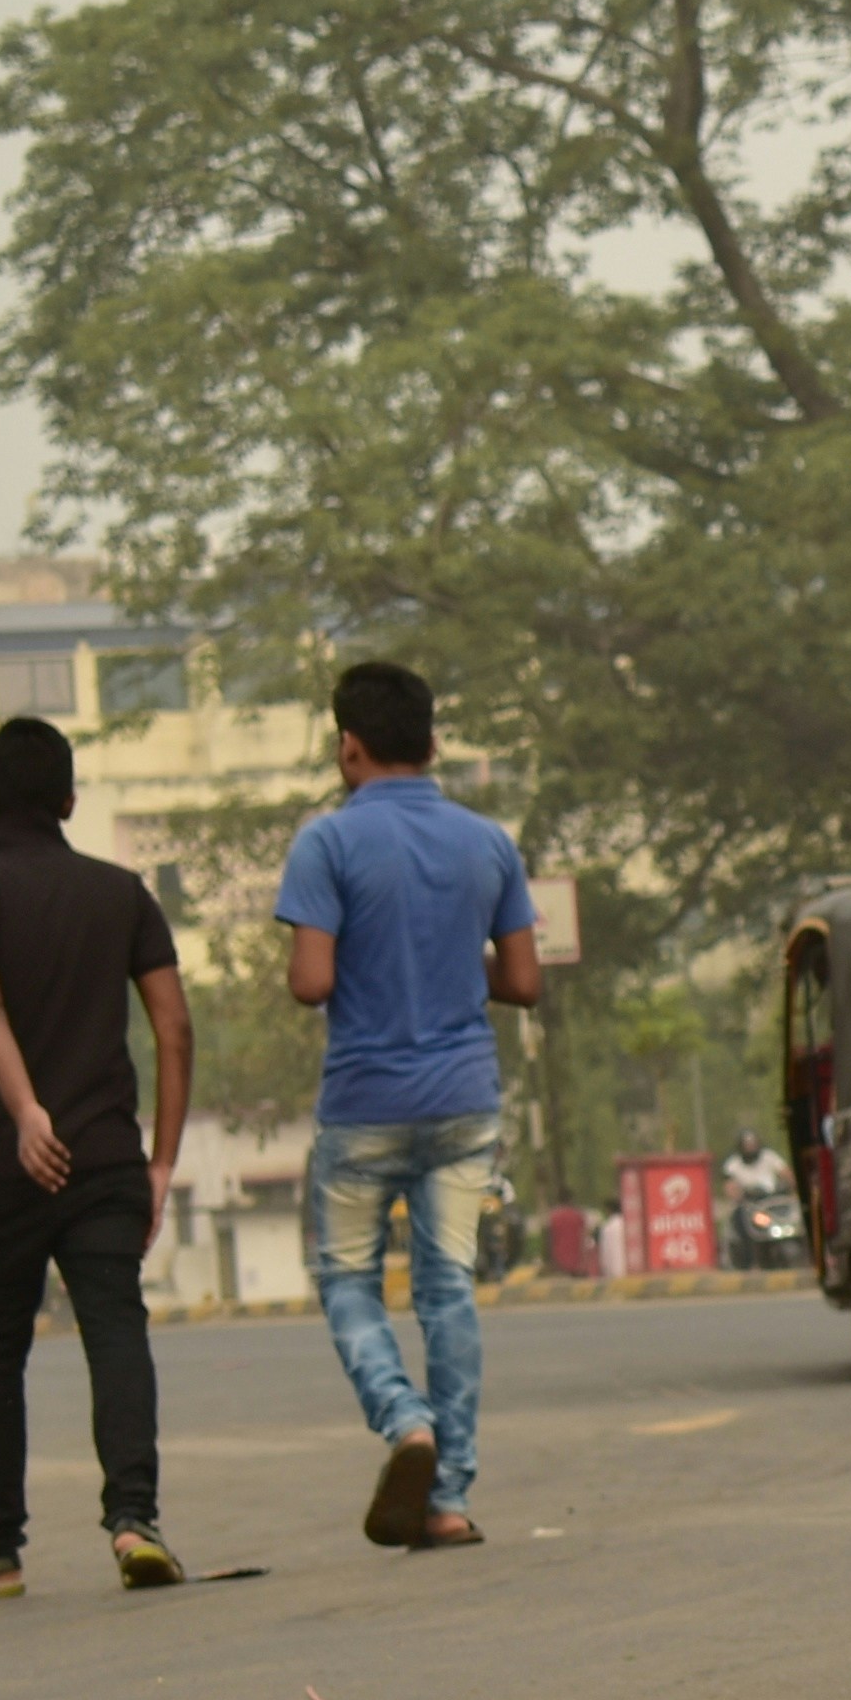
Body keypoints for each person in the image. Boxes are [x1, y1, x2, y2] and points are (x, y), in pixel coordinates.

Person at [0, 717, 193, 1596]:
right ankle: (134, 1522)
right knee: (115, 1327)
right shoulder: (121, 893)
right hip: (109, 1161)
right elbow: (174, 1028)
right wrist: (159, 1162)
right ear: (71, 800)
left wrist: (27, 1113)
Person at [278, 660, 541, 1552]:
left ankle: (405, 1423)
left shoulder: (327, 844)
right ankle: (450, 1497)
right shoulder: (487, 842)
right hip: (465, 1100)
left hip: (363, 1105)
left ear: (348, 747)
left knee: (348, 1279)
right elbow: (526, 981)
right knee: (448, 1288)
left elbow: (310, 982)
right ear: (433, 745)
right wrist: (446, 966)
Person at [717, 1127, 791, 1267]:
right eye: (747, 1145)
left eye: (753, 1144)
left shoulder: (769, 1157)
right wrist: (739, 1194)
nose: (750, 1148)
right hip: (749, 1204)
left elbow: (786, 1173)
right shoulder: (733, 1164)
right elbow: (729, 1186)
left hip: (771, 1201)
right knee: (740, 1221)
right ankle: (749, 1262)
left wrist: (790, 1186)